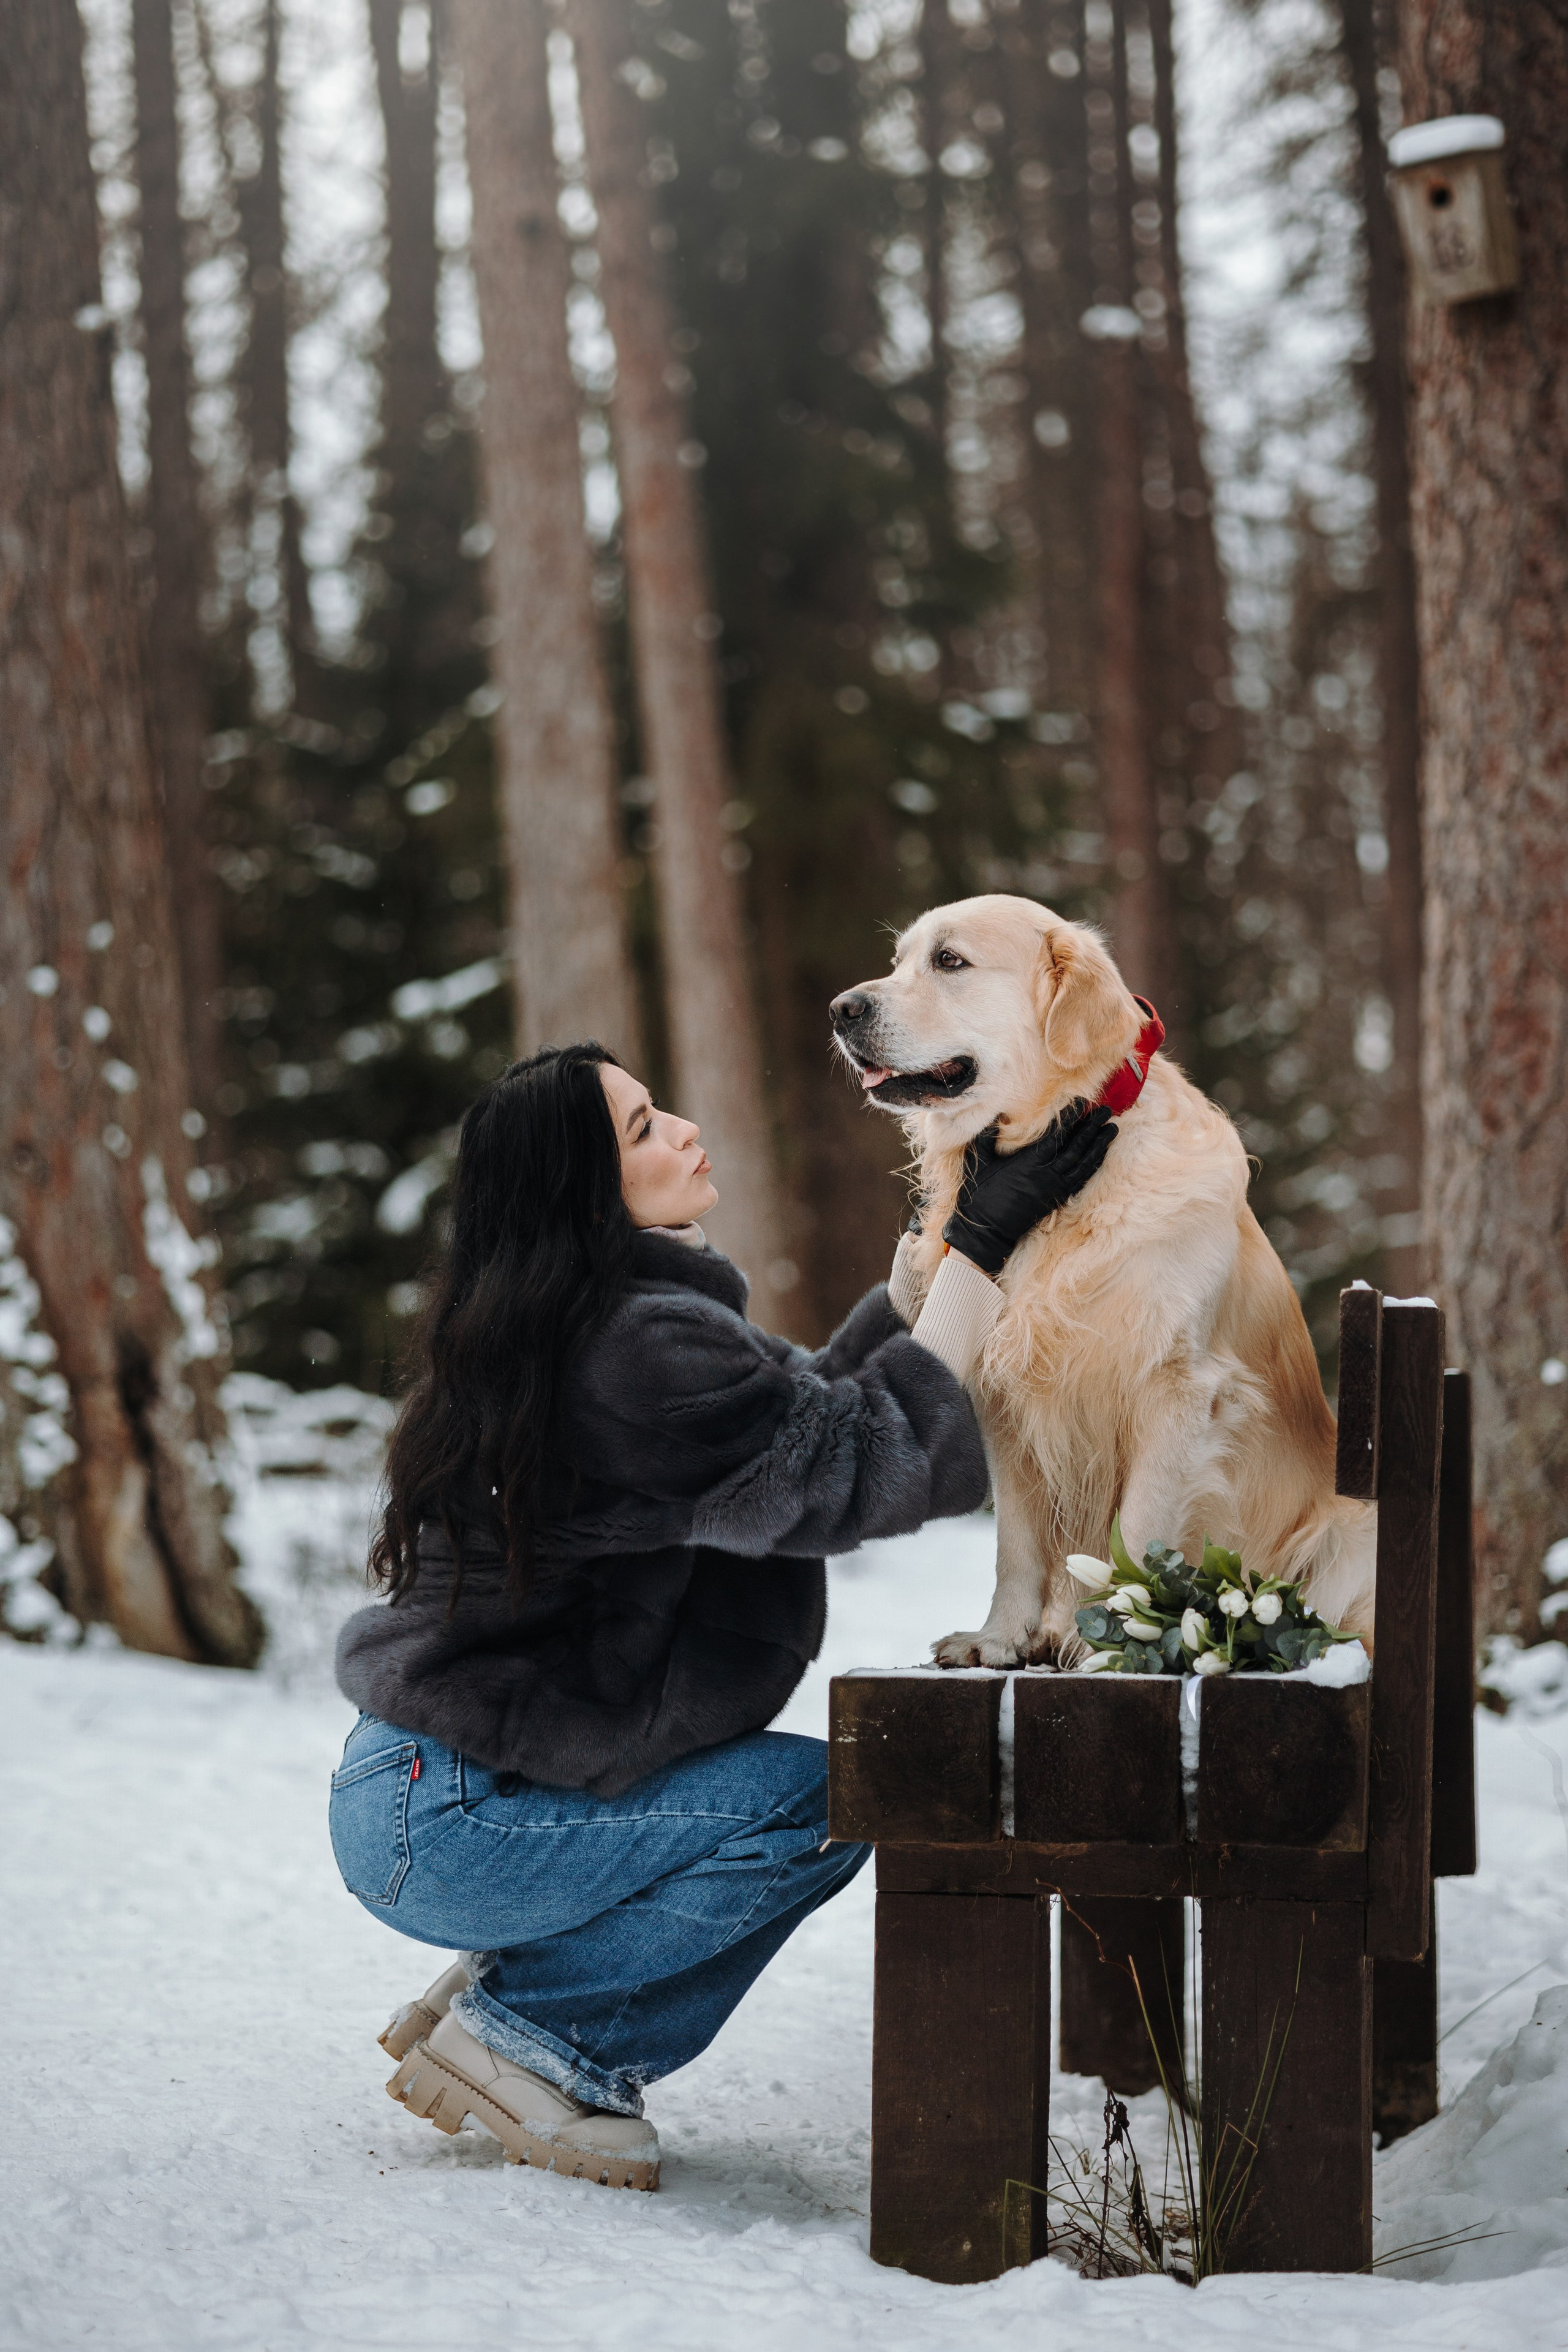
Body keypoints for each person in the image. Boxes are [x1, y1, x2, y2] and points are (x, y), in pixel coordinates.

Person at [330, 1043, 1115, 2192]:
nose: (685, 1130)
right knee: (815, 1801)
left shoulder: (609, 1320)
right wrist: (982, 1252)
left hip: (436, 1792)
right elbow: (861, 1461)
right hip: (456, 1814)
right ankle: (539, 2035)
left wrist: (945, 1257)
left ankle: (511, 1995)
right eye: (643, 1129)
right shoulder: (633, 1346)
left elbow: (810, 1423)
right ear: (584, 1191)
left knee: (804, 1793)